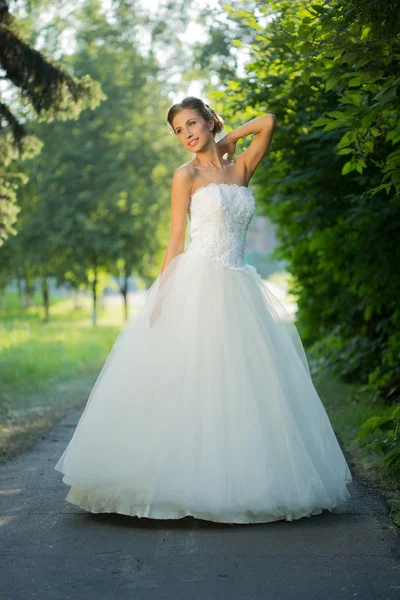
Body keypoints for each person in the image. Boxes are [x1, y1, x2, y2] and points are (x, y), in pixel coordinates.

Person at [54, 96, 352, 524]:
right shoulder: (185, 175)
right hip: (198, 281)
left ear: (209, 121)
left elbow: (268, 121)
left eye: (193, 123)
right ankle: (178, 480)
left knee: (244, 384)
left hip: (239, 286)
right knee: (192, 378)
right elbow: (176, 241)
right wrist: (161, 294)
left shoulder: (241, 168)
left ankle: (240, 479)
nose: (187, 134)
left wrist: (228, 138)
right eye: (179, 130)